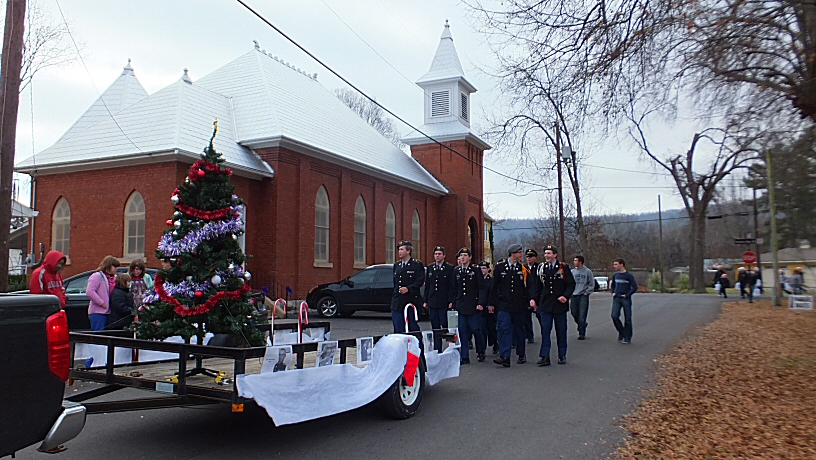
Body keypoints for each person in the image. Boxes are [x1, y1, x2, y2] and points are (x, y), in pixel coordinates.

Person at [528, 245, 575, 366]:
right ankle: (544, 356)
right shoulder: (542, 268)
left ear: (555, 255)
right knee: (545, 330)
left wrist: (566, 296)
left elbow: (570, 284)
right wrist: (534, 299)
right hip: (546, 304)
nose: (547, 256)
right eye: (545, 253)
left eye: (549, 253)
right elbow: (538, 286)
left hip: (559, 305)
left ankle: (562, 354)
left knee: (561, 330)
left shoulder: (563, 268)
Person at [489, 244, 533, 367]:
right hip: (504, 304)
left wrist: (531, 300)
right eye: (519, 252)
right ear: (513, 254)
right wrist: (491, 303)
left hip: (519, 305)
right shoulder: (500, 267)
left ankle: (521, 353)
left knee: (519, 330)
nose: (521, 254)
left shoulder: (523, 268)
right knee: (504, 329)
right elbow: (494, 286)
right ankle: (505, 356)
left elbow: (529, 286)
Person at [451, 248, 487, 364]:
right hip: (461, 305)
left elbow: (482, 288)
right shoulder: (457, 271)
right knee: (463, 331)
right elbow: (454, 288)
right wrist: (453, 302)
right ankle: (464, 356)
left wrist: (481, 303)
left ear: (470, 257)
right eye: (461, 255)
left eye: (465, 255)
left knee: (476, 329)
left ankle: (481, 350)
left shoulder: (475, 270)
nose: (463, 258)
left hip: (473, 305)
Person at [391, 240, 425, 333]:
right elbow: (396, 282)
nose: (399, 251)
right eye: (399, 249)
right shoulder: (397, 265)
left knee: (412, 327)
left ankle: (416, 346)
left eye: (402, 249)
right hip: (398, 301)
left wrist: (408, 289)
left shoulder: (416, 265)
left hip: (410, 300)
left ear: (408, 251)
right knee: (398, 327)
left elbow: (420, 281)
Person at [423, 246, 455, 330]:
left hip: (444, 300)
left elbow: (452, 286)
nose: (437, 256)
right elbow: (428, 285)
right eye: (436, 254)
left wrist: (451, 300)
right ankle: (437, 343)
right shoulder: (430, 268)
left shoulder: (449, 268)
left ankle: (449, 341)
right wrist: (425, 300)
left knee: (445, 323)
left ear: (444, 255)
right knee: (434, 324)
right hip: (433, 300)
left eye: (440, 254)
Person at [87, 256, 120, 331]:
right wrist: (102, 303)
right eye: (114, 266)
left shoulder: (114, 278)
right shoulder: (97, 276)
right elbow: (90, 292)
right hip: (98, 312)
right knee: (99, 336)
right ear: (108, 265)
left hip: (110, 312)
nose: (116, 269)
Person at [610, 259, 638, 344]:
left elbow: (635, 287)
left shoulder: (628, 275)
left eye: (616, 264)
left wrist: (627, 295)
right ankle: (621, 331)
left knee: (627, 318)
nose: (614, 266)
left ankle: (627, 337)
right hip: (617, 298)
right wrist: (613, 292)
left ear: (621, 265)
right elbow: (613, 285)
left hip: (625, 298)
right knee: (614, 316)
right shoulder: (616, 275)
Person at [570, 255, 594, 340]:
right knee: (574, 313)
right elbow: (570, 283)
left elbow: (591, 283)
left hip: (583, 295)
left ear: (580, 262)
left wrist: (587, 292)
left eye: (576, 260)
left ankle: (581, 333)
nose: (574, 262)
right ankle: (582, 324)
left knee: (582, 314)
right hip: (574, 295)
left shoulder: (587, 271)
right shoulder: (572, 272)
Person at [478, 261, 499, 354]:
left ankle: (495, 343)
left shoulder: (491, 280)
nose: (482, 270)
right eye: (481, 268)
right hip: (480, 308)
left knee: (492, 328)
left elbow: (493, 293)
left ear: (488, 269)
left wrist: (492, 304)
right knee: (482, 329)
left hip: (490, 307)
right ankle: (482, 349)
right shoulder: (477, 281)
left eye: (484, 268)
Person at [523, 248, 540, 344]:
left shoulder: (539, 267)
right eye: (527, 257)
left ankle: (545, 333)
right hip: (527, 295)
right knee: (526, 318)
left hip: (538, 294)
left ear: (535, 258)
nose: (528, 258)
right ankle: (529, 335)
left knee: (540, 315)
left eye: (531, 257)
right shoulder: (523, 268)